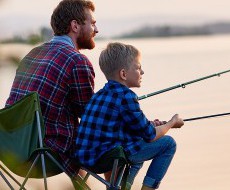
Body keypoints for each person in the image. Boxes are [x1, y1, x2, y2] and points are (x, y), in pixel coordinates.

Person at [5, 0, 98, 180]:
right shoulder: (77, 61)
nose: (96, 29)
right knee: (118, 144)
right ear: (75, 26)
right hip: (45, 156)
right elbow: (90, 118)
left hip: (12, 152)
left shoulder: (32, 53)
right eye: (92, 23)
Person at [75, 42, 184, 190]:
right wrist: (171, 122)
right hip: (107, 159)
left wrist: (150, 123)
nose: (142, 72)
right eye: (138, 68)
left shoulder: (99, 95)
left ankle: (124, 186)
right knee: (168, 144)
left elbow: (124, 124)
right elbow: (150, 135)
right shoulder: (126, 96)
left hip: (85, 158)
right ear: (123, 74)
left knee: (136, 139)